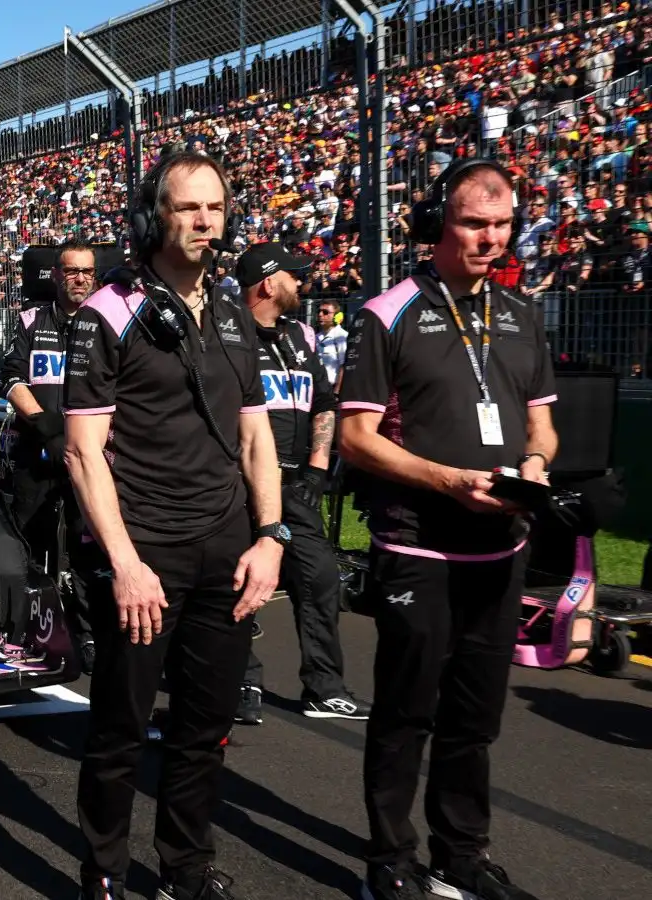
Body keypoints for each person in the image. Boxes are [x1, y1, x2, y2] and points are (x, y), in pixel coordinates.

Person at [64, 152, 284, 900]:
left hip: (227, 550)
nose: (203, 221)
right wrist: (124, 562)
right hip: (144, 554)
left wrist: (272, 537)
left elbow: (257, 438)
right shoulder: (106, 314)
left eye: (215, 208)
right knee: (121, 730)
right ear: (151, 216)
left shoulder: (231, 312)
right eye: (187, 208)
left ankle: (186, 871)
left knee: (205, 731)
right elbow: (83, 451)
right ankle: (104, 870)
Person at [339, 159, 556, 900]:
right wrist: (449, 481)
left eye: (501, 225)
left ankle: (461, 852)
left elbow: (544, 427)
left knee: (475, 715)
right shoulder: (387, 314)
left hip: (502, 548)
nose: (489, 239)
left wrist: (533, 462)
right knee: (406, 712)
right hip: (417, 545)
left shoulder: (523, 314)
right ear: (440, 224)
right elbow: (357, 439)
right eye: (474, 224)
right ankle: (390, 859)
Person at [231, 243, 371, 725]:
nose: (300, 283)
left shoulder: (299, 335)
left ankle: (324, 688)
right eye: (293, 275)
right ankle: (238, 682)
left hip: (297, 484)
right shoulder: (231, 334)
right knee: (241, 583)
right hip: (242, 482)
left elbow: (326, 404)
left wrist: (316, 467)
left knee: (321, 577)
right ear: (269, 283)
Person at [0, 236, 101, 670]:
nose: (79, 279)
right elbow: (10, 378)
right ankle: (24, 628)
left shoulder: (106, 324)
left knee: (87, 547)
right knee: (28, 541)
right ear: (56, 275)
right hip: (37, 452)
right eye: (72, 271)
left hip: (90, 457)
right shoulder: (30, 319)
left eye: (87, 272)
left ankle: (89, 633)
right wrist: (45, 425)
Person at [317, 298, 348, 389]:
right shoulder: (315, 336)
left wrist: (336, 391)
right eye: (319, 311)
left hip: (332, 388)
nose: (320, 314)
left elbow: (344, 365)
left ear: (337, 316)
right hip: (318, 388)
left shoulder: (341, 336)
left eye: (325, 312)